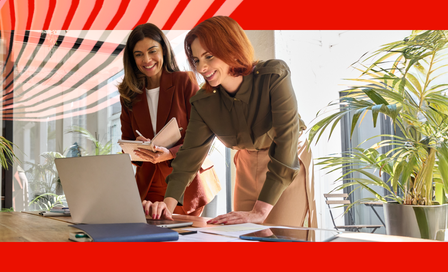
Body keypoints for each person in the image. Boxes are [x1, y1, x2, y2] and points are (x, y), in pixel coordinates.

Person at [142, 16, 316, 227]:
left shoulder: (273, 76)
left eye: (209, 56)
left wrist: (260, 211)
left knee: (284, 238)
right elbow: (189, 158)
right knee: (243, 237)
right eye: (197, 60)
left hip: (287, 160)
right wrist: (166, 207)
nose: (202, 67)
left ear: (231, 48)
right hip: (245, 164)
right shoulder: (203, 102)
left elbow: (287, 140)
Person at [118, 23, 214, 217]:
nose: (146, 60)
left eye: (152, 51)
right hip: (149, 184)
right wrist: (137, 147)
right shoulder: (129, 95)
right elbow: (125, 143)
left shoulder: (184, 82)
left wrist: (169, 153)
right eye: (138, 54)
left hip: (185, 180)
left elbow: (202, 137)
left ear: (164, 50)